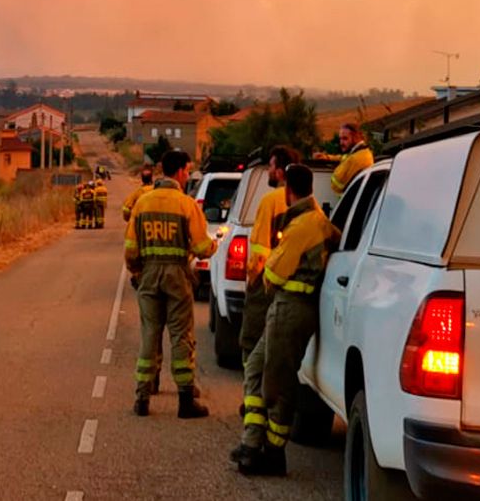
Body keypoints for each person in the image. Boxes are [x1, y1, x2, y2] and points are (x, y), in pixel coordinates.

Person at [233, 164, 341, 476]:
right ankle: (252, 443)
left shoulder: (302, 226)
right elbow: (335, 239)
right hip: (291, 308)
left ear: (287, 190)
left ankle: (271, 452)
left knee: (278, 382)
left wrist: (263, 272)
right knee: (257, 367)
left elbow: (274, 272)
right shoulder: (319, 220)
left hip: (289, 308)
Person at [125, 151, 216, 418]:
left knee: (149, 335)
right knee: (181, 336)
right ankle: (185, 400)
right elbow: (201, 247)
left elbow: (130, 249)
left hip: (149, 276)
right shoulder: (187, 205)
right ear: (178, 172)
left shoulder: (143, 203)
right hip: (177, 277)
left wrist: (138, 272)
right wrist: (214, 245)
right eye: (187, 171)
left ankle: (142, 398)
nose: (188, 176)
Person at [239, 146, 301, 367]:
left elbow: (260, 250)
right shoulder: (306, 202)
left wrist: (253, 280)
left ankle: (252, 396)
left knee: (252, 341)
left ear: (281, 172)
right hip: (294, 286)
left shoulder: (270, 201)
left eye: (271, 167)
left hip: (266, 283)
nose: (268, 171)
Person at [325, 123, 374, 194]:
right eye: (340, 139)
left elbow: (335, 185)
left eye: (345, 138)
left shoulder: (354, 159)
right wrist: (328, 157)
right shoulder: (364, 152)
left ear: (355, 137)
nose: (341, 143)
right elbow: (345, 157)